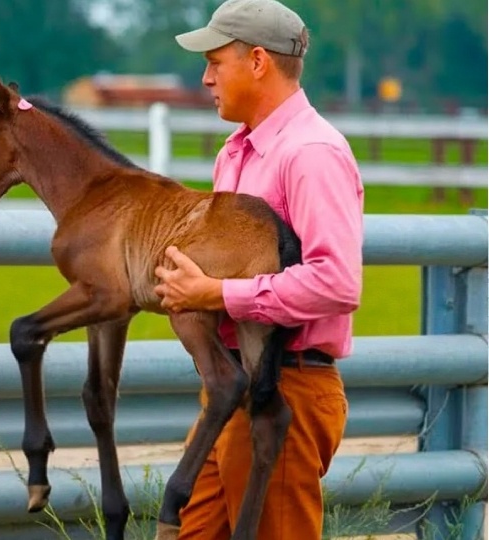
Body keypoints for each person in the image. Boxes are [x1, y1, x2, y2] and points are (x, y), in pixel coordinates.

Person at [152, 0, 365, 538]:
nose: (205, 78)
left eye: (215, 62)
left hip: (287, 387)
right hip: (232, 389)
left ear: (257, 62)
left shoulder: (312, 153)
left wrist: (219, 294)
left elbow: (336, 280)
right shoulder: (237, 152)